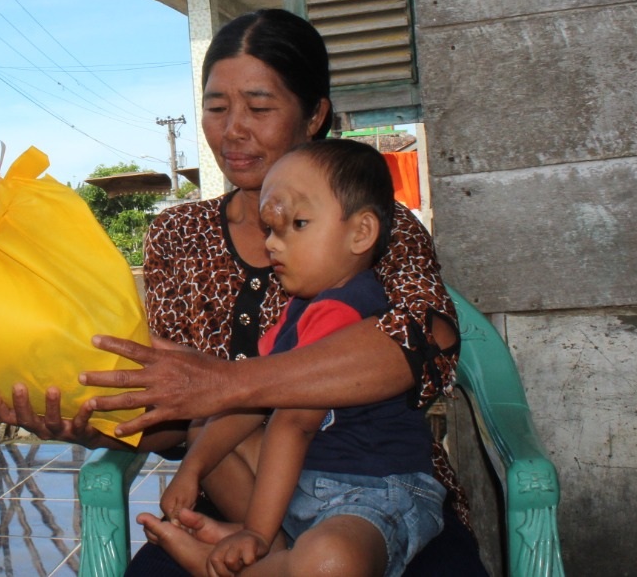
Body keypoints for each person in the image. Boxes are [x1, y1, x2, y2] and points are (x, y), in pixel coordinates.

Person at [0, 9, 486, 575]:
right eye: (217, 108)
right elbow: (175, 416)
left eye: (260, 107)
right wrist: (93, 416)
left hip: (376, 494)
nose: (233, 130)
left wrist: (227, 384)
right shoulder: (178, 235)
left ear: (314, 113)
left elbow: (425, 342)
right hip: (233, 498)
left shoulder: (371, 226)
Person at [149, 139, 445, 577]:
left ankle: (250, 560)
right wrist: (193, 469)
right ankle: (278, 553)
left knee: (330, 562)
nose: (274, 244)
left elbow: (293, 422)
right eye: (270, 229)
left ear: (361, 233)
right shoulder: (298, 310)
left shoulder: (351, 308)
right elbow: (250, 401)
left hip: (376, 494)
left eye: (297, 224)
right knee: (210, 427)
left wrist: (256, 531)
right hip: (309, 486)